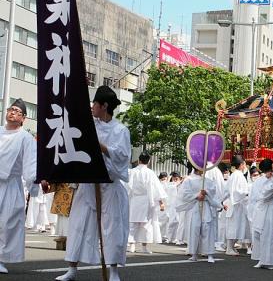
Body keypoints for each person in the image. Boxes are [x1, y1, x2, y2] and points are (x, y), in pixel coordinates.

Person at [56, 86, 131, 281]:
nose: (92, 107)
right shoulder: (90, 125)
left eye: (95, 104)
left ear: (104, 106)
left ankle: (113, 271)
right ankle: (72, 269)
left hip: (109, 186)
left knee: (112, 229)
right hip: (88, 185)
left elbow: (123, 157)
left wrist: (102, 148)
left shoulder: (120, 130)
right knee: (78, 224)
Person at [0, 99, 38, 274]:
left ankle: (1, 258)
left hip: (11, 185)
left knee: (6, 224)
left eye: (17, 111)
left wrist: (34, 186)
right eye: (10, 109)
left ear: (23, 118)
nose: (12, 112)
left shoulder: (26, 138)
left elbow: (30, 165)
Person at [176, 168, 221, 263]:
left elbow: (213, 191)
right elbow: (184, 194)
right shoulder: (189, 180)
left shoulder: (208, 181)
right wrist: (196, 195)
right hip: (195, 206)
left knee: (207, 229)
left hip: (206, 206)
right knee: (194, 229)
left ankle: (210, 254)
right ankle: (194, 253)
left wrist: (206, 193)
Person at [127, 151, 167, 254]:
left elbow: (128, 187)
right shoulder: (150, 173)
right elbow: (157, 189)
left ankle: (132, 245)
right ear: (148, 161)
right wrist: (161, 201)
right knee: (146, 225)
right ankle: (144, 247)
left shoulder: (132, 171)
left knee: (133, 223)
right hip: (146, 200)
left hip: (135, 199)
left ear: (139, 160)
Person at [224, 155, 250, 256]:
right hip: (236, 203)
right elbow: (237, 191)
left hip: (237, 204)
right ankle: (229, 248)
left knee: (237, 226)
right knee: (234, 226)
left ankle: (231, 247)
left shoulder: (235, 175)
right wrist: (246, 193)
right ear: (242, 164)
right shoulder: (237, 175)